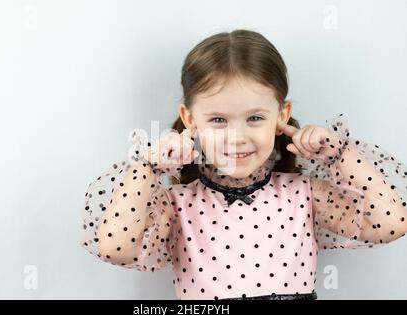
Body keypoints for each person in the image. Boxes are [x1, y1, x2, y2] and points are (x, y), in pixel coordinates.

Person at [81, 29, 407, 300]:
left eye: (254, 118)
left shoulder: (304, 195)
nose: (237, 137)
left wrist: (339, 154)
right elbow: (116, 246)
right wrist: (148, 168)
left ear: (280, 114)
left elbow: (390, 222)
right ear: (190, 119)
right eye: (219, 119)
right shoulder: (177, 204)